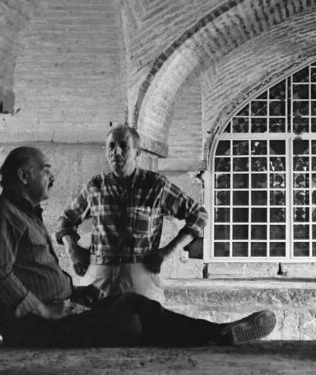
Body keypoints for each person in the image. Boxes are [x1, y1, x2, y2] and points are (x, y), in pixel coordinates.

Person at [0, 145, 276, 348]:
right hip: (37, 325)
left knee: (137, 304)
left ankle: (220, 332)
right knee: (129, 324)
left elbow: (35, 271)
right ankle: (213, 336)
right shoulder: (7, 214)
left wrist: (75, 292)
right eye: (45, 170)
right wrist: (44, 311)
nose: (52, 177)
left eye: (124, 146)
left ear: (136, 151)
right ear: (24, 176)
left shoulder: (27, 215)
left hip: (76, 300)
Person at [55, 124, 206, 303]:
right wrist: (72, 250)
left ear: (137, 152)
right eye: (111, 146)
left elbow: (199, 215)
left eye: (124, 146)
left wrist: (167, 252)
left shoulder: (156, 186)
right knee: (96, 327)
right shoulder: (96, 186)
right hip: (99, 276)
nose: (116, 152)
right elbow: (65, 220)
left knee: (142, 326)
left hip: (140, 276)